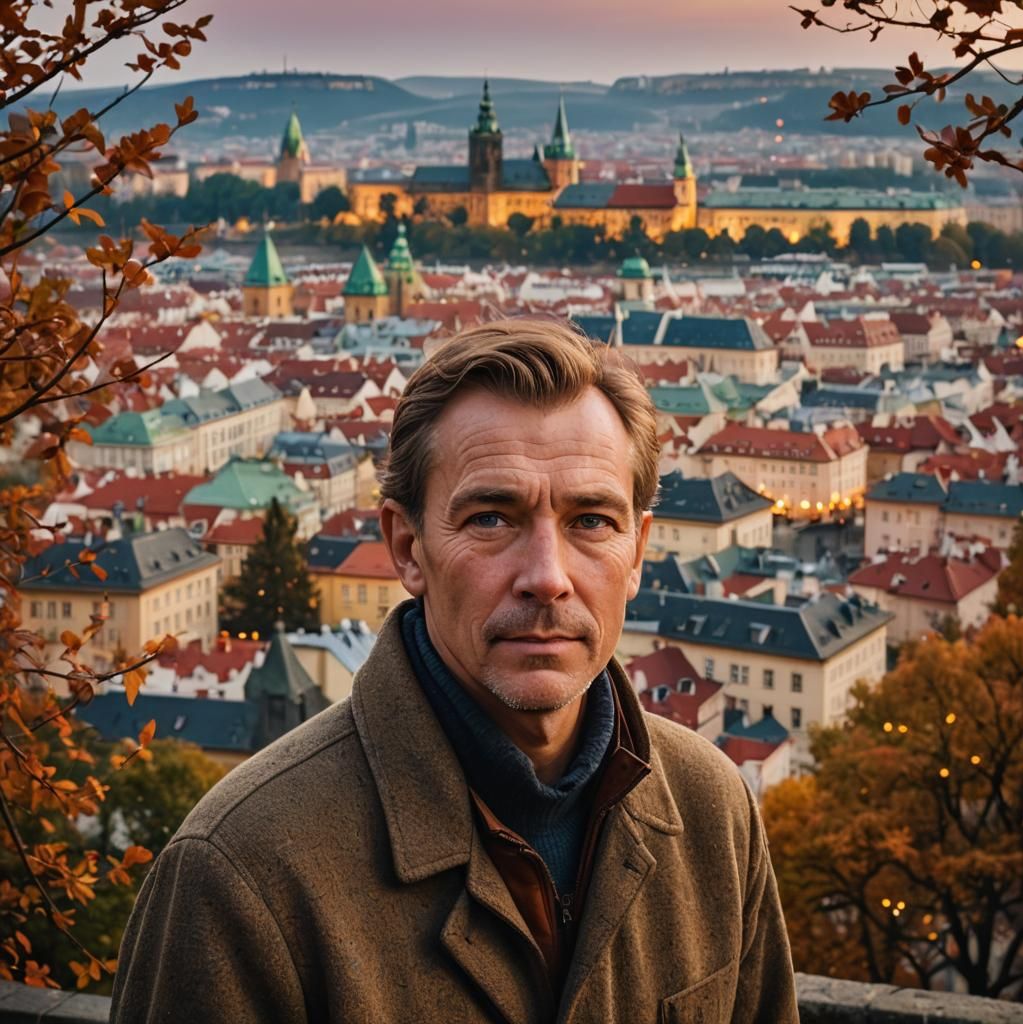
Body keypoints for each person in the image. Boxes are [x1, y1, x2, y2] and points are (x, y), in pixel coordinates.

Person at [111, 320, 798, 1023]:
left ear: (639, 551)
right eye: (492, 519)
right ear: (407, 549)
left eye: (590, 520)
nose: (547, 577)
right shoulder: (240, 873)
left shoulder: (713, 808)